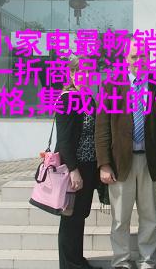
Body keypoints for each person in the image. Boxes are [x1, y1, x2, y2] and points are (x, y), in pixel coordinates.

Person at [95, 40, 156, 269]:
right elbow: (102, 129)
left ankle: (147, 259)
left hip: (151, 163)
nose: (138, 61)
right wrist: (104, 164)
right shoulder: (111, 87)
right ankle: (121, 260)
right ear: (125, 60)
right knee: (120, 218)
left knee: (149, 216)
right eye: (134, 56)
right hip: (121, 163)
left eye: (142, 56)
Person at [55, 55, 99, 269]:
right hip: (74, 168)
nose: (86, 76)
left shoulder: (88, 98)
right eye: (81, 72)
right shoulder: (66, 99)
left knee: (80, 215)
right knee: (70, 216)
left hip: (89, 165)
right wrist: (73, 170)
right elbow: (64, 140)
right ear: (72, 74)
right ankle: (69, 264)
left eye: (89, 72)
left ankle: (77, 260)